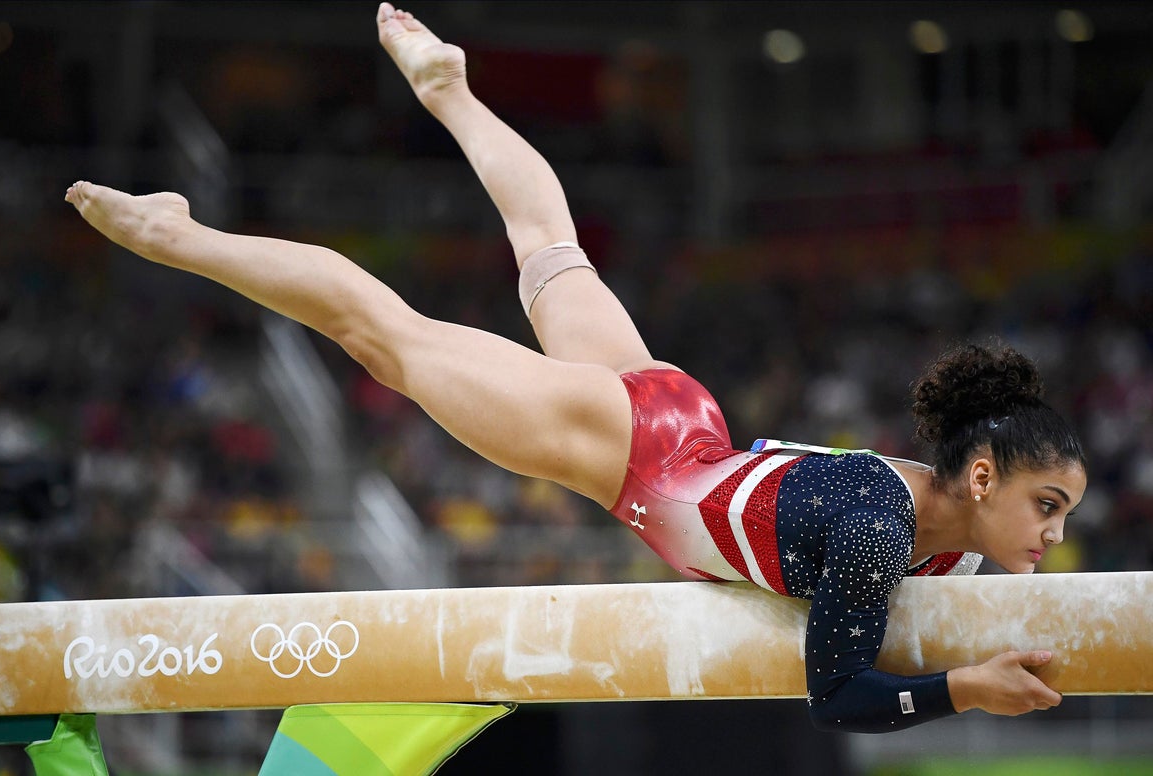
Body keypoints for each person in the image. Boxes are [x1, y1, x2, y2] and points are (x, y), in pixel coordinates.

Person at [64, 3, 1087, 733]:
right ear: (982, 477)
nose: (1052, 533)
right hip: (637, 453)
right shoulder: (882, 530)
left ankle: (454, 94)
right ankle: (182, 233)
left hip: (684, 422)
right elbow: (838, 696)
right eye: (1047, 503)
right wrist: (966, 687)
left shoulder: (938, 539)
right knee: (388, 339)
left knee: (549, 246)